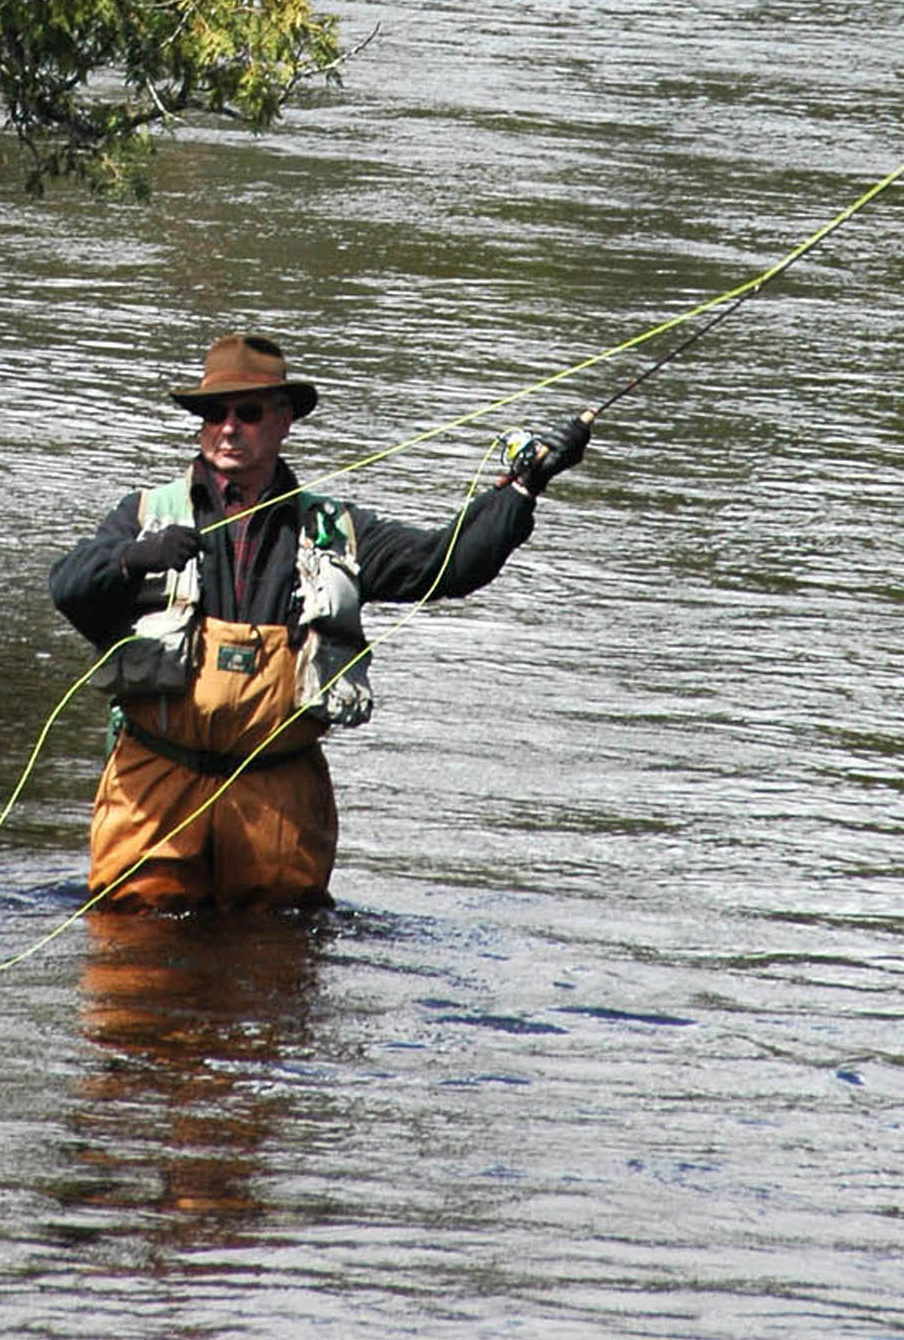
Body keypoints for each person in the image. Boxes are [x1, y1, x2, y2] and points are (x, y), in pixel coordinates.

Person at [49, 329, 590, 911]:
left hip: (278, 798)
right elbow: (68, 587)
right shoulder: (144, 515)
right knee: (133, 971)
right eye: (213, 412)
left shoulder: (337, 532)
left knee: (277, 970)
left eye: (248, 412)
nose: (228, 426)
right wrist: (133, 560)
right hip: (153, 788)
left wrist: (523, 490)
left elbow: (445, 565)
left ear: (284, 421)